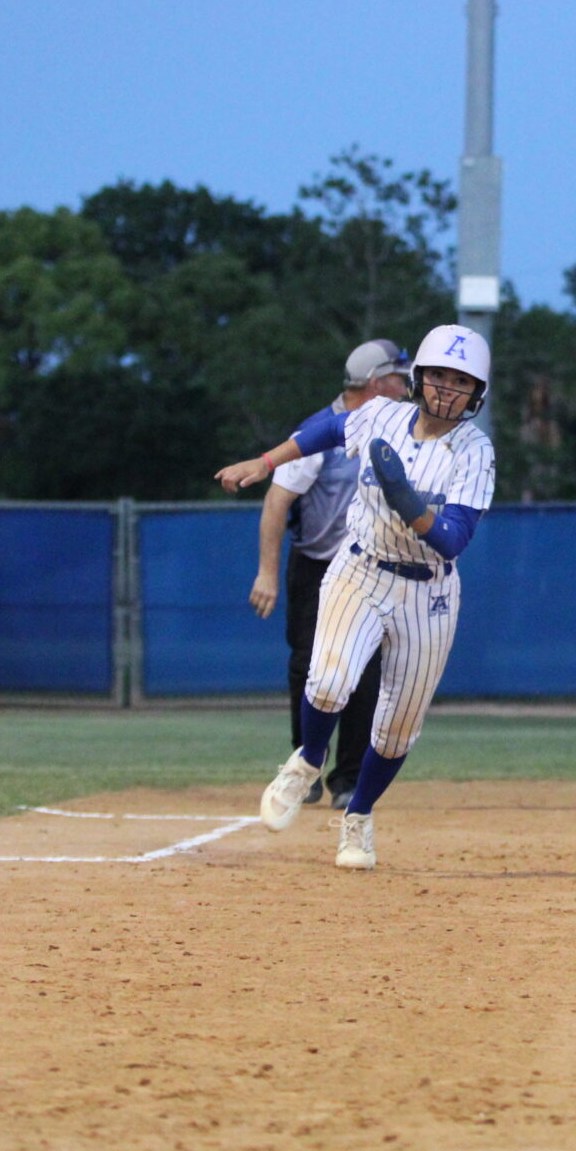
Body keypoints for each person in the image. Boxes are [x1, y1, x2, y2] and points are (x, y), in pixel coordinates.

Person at [214, 325, 496, 871]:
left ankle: (359, 818)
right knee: (328, 679)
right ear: (419, 378)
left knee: (397, 726)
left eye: (460, 380)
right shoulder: (384, 413)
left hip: (428, 592)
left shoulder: (475, 451)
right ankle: (306, 762)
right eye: (438, 374)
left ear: (476, 392)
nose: (446, 388)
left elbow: (455, 536)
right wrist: (265, 462)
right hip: (360, 568)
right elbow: (331, 428)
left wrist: (407, 500)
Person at [249, 339, 409, 808]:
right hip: (316, 567)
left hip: (371, 568)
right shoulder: (320, 432)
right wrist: (267, 573)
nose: (407, 388)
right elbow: (278, 499)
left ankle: (348, 780)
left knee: (367, 671)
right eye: (399, 379)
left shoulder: (399, 430)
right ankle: (307, 768)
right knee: (309, 666)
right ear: (376, 383)